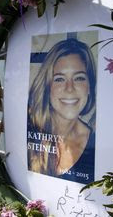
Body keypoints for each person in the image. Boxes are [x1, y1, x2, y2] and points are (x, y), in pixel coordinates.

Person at [27, 38, 96, 183]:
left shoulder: (97, 145)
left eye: (79, 78)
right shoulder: (28, 127)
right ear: (47, 87)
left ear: (89, 86)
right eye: (59, 79)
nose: (69, 88)